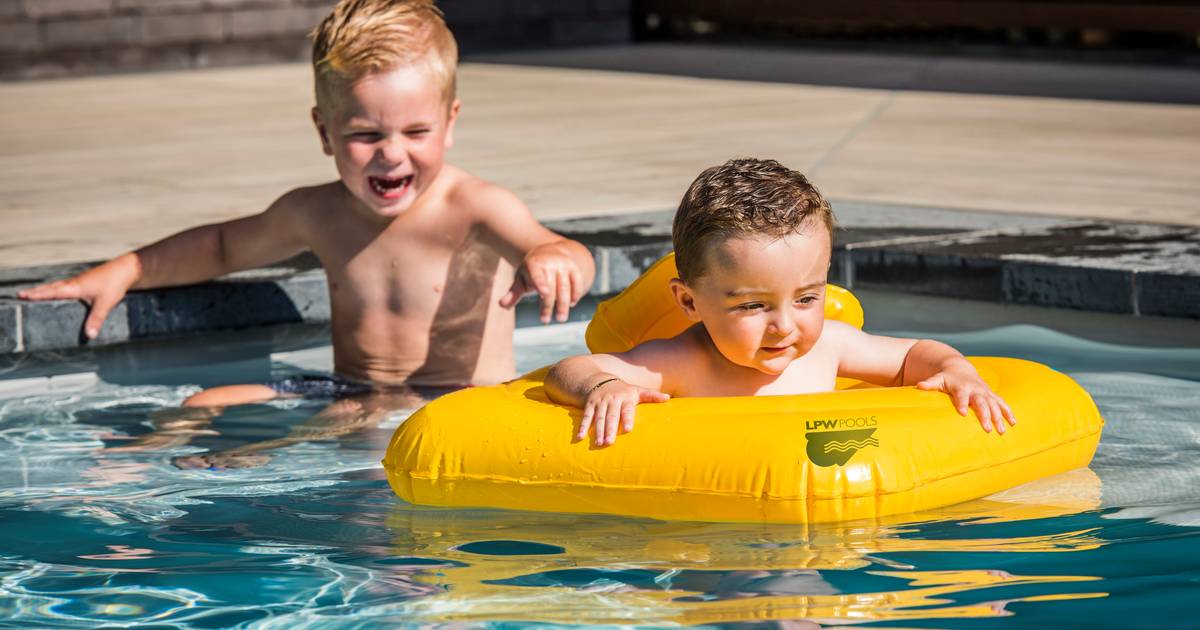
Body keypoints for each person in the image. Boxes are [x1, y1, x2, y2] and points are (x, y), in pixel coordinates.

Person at [20, 0, 594, 467]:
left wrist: (555, 257)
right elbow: (222, 245)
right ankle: (140, 466)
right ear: (324, 130)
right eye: (365, 134)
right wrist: (125, 270)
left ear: (451, 124)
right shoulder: (318, 211)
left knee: (340, 425)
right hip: (347, 386)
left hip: (456, 398)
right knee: (204, 400)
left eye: (416, 131)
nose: (391, 154)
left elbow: (557, 247)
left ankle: (257, 459)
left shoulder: (476, 207)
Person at [545, 158, 1014, 447]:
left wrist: (958, 371)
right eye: (752, 306)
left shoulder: (831, 345)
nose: (784, 326)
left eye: (807, 298)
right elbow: (569, 370)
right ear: (689, 302)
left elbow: (915, 354)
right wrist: (603, 387)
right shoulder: (685, 362)